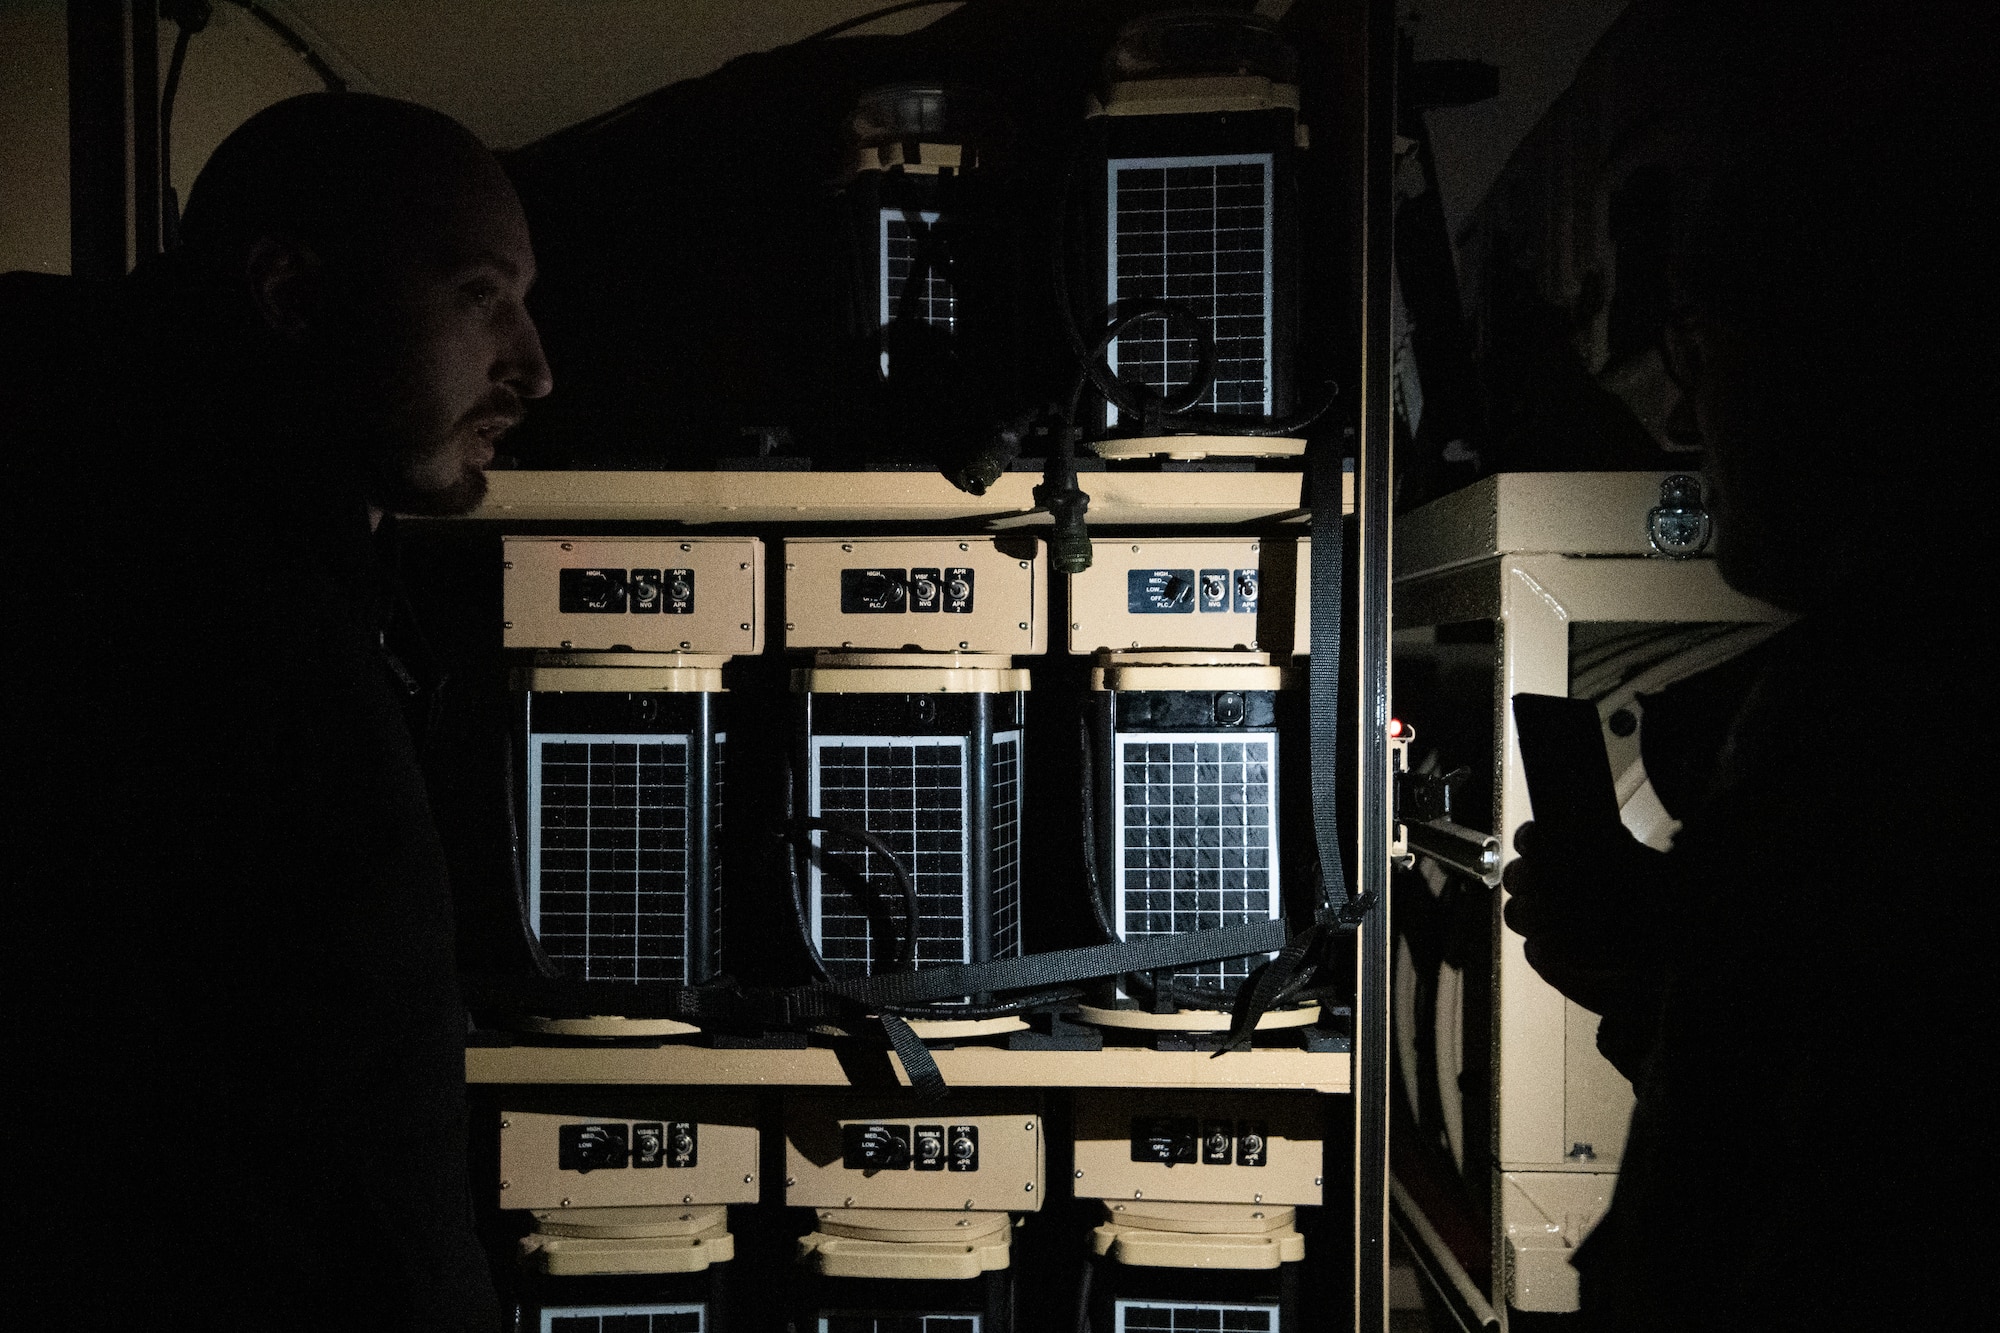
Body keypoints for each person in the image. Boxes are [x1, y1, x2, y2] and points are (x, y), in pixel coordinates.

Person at [3, 93, 550, 1330]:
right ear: (291, 295)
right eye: (481, 296)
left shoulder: (208, 535)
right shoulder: (171, 600)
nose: (532, 364)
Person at [1499, 50, 1994, 1333]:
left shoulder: (1873, 720)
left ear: (1842, 356)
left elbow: (1820, 1206)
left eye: (1695, 345)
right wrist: (1665, 960)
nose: (1681, 418)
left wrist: (1673, 963)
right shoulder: (1872, 701)